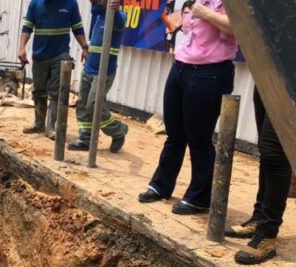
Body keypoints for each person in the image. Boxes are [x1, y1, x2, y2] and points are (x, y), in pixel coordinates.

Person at [138, 0, 237, 215]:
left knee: (199, 138)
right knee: (174, 133)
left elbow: (236, 28)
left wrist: (206, 13)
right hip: (181, 68)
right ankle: (160, 185)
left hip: (210, 73)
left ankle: (199, 197)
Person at [225, 90, 293, 265]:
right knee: (266, 151)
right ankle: (259, 219)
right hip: (268, 75)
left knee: (275, 154)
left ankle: (267, 235)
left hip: (290, 79)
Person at [18, 0, 89, 137]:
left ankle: (50, 127)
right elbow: (27, 28)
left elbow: (77, 28)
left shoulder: (70, 4)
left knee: (55, 92)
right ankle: (39, 124)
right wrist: (22, 48)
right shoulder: (35, 4)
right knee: (39, 91)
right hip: (39, 55)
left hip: (60, 55)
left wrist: (85, 47)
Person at [68, 0, 129, 153]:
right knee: (82, 104)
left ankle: (118, 130)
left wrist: (114, 9)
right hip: (89, 68)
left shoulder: (119, 18)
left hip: (104, 71)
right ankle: (85, 139)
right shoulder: (99, 13)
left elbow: (118, 18)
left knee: (94, 104)